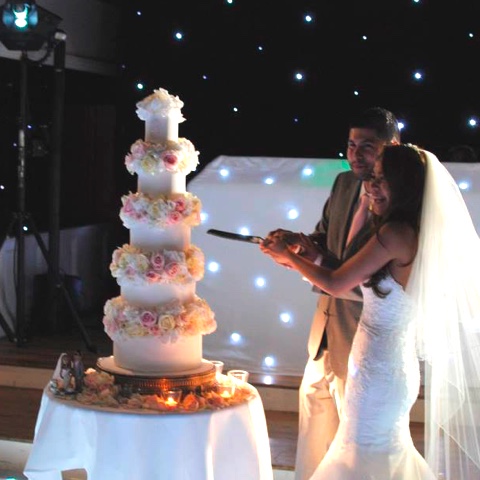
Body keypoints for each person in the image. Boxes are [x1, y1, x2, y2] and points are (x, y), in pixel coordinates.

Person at [262, 144, 480, 479]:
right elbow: (352, 276)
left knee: (364, 451)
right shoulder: (413, 231)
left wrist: (291, 257)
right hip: (388, 363)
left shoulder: (395, 234)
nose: (371, 186)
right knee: (376, 449)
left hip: (380, 369)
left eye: (383, 179)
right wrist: (307, 254)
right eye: (373, 178)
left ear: (405, 185)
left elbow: (337, 284)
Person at [261, 106, 401, 480]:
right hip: (324, 329)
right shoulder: (343, 184)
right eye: (351, 144)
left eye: (367, 146)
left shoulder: (401, 205)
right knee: (316, 431)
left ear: (393, 146)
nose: (356, 154)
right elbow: (326, 238)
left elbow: (359, 275)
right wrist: (298, 245)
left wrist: (301, 261)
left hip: (365, 337)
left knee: (354, 445)